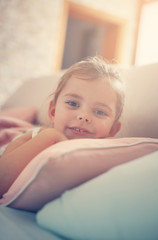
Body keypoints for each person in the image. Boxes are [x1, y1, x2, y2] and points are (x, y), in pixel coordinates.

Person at [0, 56, 125, 197]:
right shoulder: (35, 136)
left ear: (113, 130)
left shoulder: (109, 152)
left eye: (100, 112)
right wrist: (50, 137)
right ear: (53, 112)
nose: (83, 116)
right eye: (73, 103)